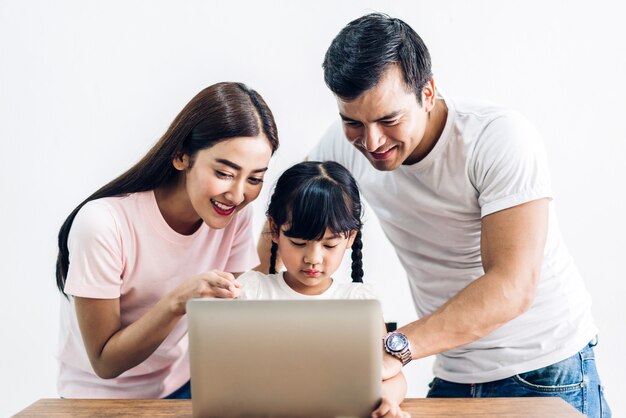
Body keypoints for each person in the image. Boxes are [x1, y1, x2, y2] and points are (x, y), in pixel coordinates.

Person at [301, 13, 611, 417]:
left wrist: (395, 349)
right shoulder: (345, 145)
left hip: (547, 367)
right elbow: (288, 220)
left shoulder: (497, 139)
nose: (372, 141)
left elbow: (512, 286)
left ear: (428, 93)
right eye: (352, 123)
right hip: (456, 370)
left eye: (389, 120)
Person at [55, 82, 279, 399]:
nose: (239, 194)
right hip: (99, 400)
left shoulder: (237, 214)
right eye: (225, 172)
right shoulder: (102, 224)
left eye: (255, 178)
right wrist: (177, 303)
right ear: (181, 157)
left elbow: (232, 319)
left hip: (185, 385)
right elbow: (105, 362)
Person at [239, 161, 409, 418]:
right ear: (275, 230)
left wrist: (388, 400)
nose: (313, 258)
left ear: (350, 238)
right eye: (299, 242)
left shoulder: (360, 302)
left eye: (329, 245)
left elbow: (392, 376)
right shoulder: (253, 292)